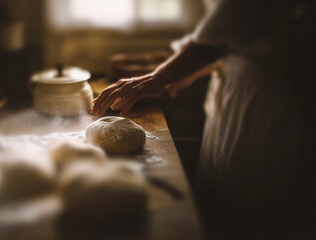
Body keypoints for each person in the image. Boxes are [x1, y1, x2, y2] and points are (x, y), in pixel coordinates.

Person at [92, 0, 315, 239]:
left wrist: (154, 79)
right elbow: (231, 41)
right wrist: (179, 77)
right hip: (236, 87)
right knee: (222, 179)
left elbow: (219, 37)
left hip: (263, 96)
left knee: (249, 191)